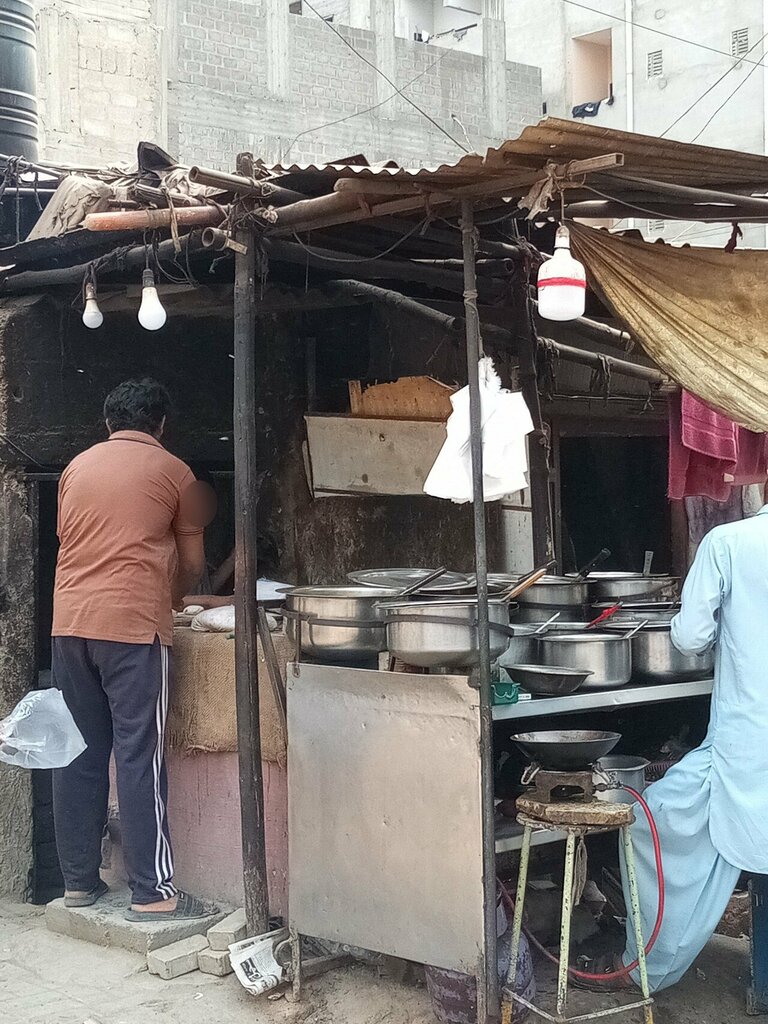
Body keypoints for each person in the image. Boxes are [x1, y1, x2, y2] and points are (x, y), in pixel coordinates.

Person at [590, 501, 768, 992]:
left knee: (650, 824)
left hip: (745, 746)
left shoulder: (728, 543)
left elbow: (690, 637)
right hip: (747, 748)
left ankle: (643, 967)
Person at [51, 378, 213, 920]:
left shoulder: (75, 467)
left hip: (69, 626)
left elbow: (73, 543)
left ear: (107, 422)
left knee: (78, 754)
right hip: (133, 630)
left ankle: (79, 883)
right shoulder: (176, 472)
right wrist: (171, 601)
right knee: (139, 755)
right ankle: (153, 891)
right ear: (161, 425)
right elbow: (192, 564)